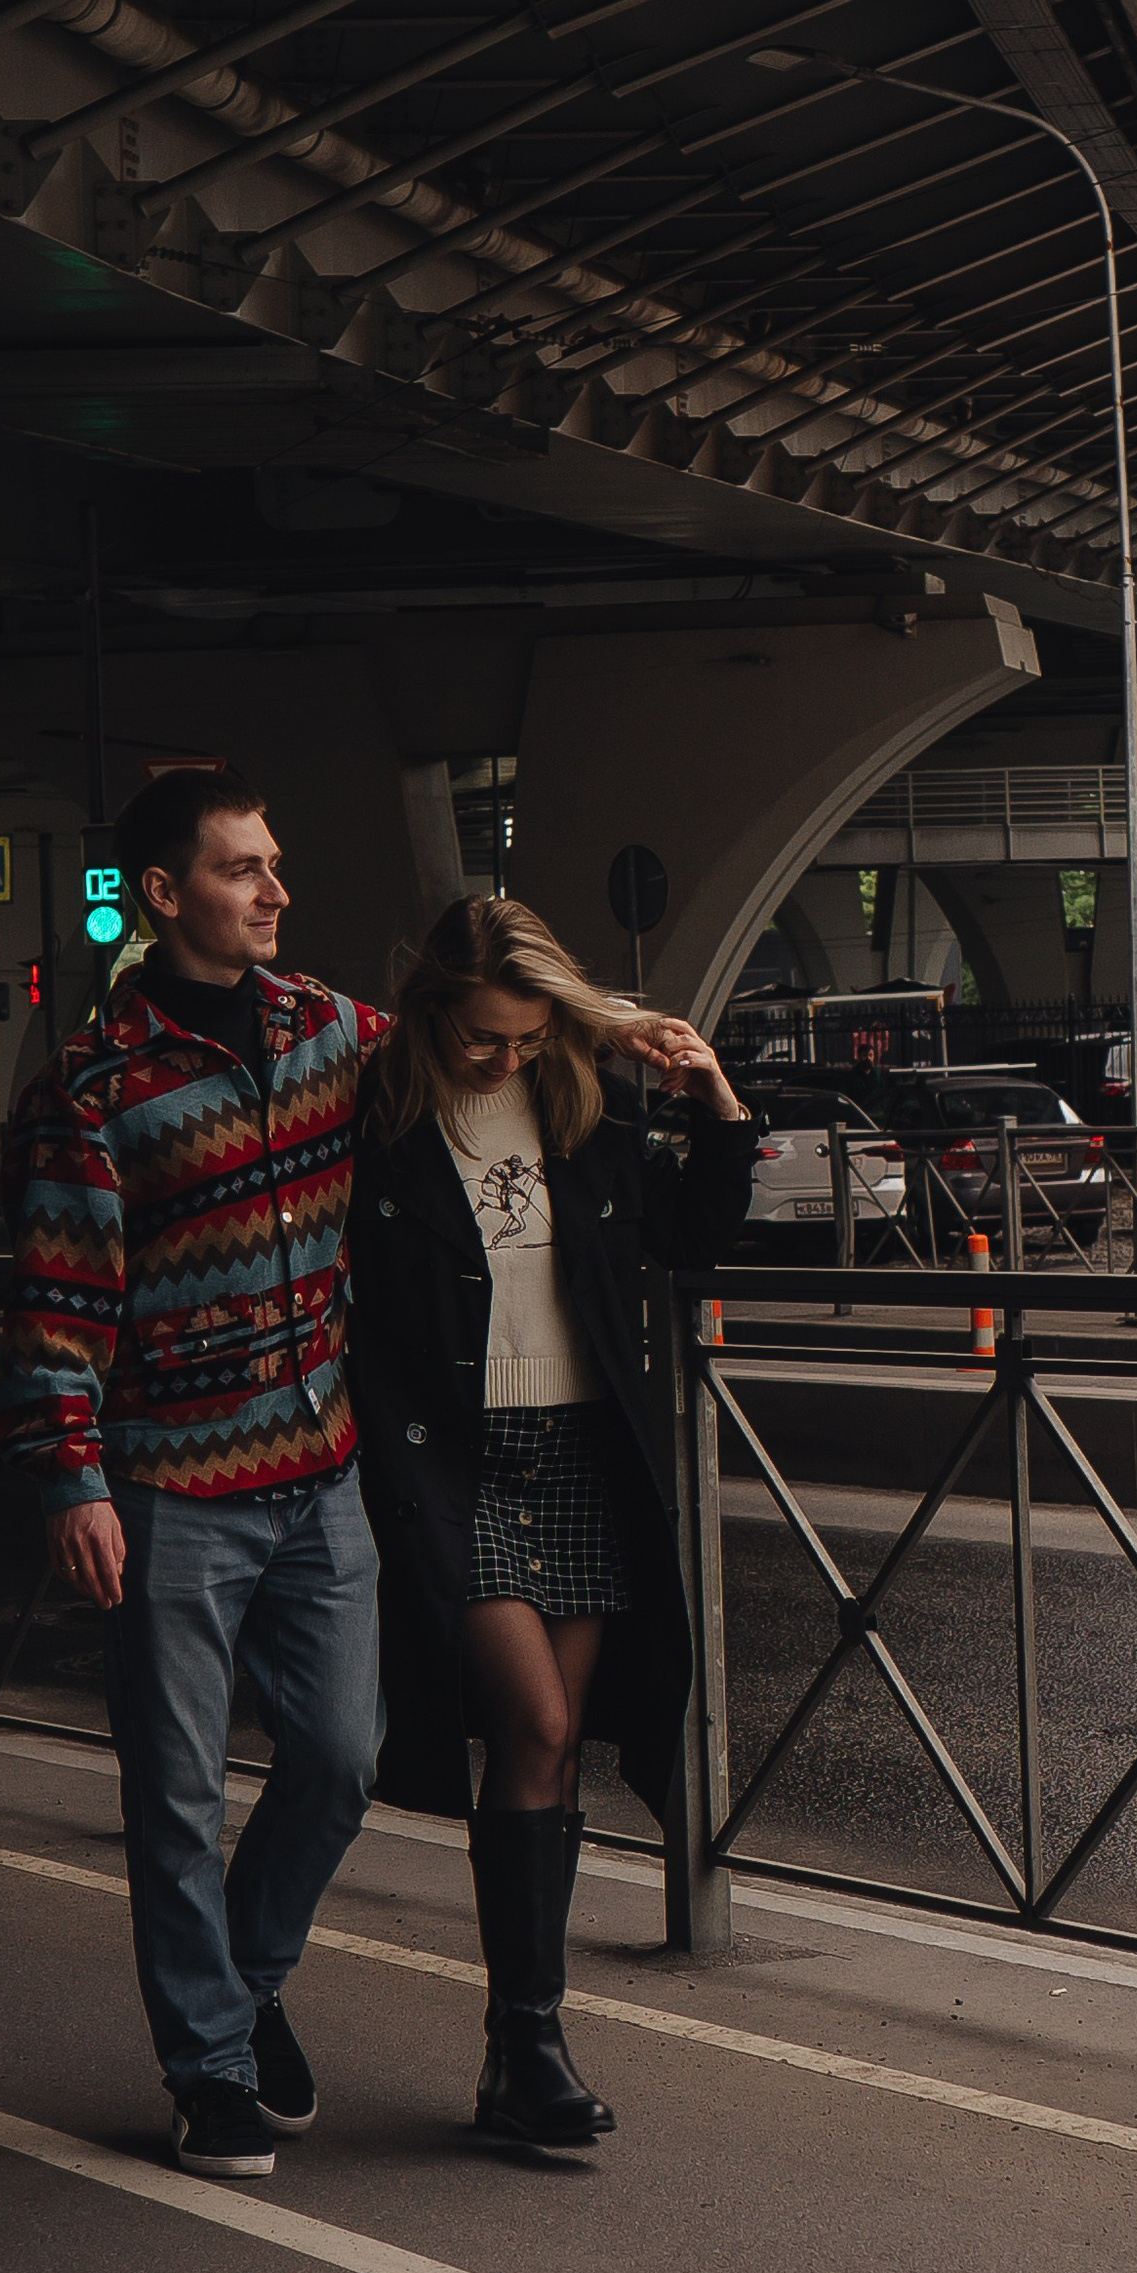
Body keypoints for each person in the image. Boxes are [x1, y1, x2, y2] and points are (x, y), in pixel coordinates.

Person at [0, 769, 387, 2181]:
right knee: (175, 1798)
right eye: (242, 869)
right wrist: (72, 1478)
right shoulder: (93, 1085)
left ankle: (243, 1980)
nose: (276, 891)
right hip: (168, 1487)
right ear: (165, 895)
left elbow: (471, 1040)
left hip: (320, 1468)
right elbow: (57, 1302)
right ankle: (210, 2069)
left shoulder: (328, 1027)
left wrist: (616, 1034)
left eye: (273, 864)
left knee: (343, 1757)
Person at [348, 896, 754, 2148]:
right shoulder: (378, 1121)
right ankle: (525, 2041)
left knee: (558, 1744)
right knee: (530, 1719)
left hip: (582, 1449)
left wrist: (715, 1099)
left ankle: (523, 2046)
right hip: (452, 1460)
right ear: (431, 1014)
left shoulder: (591, 1111)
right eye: (481, 1036)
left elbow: (695, 1234)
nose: (504, 1058)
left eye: (527, 1038)